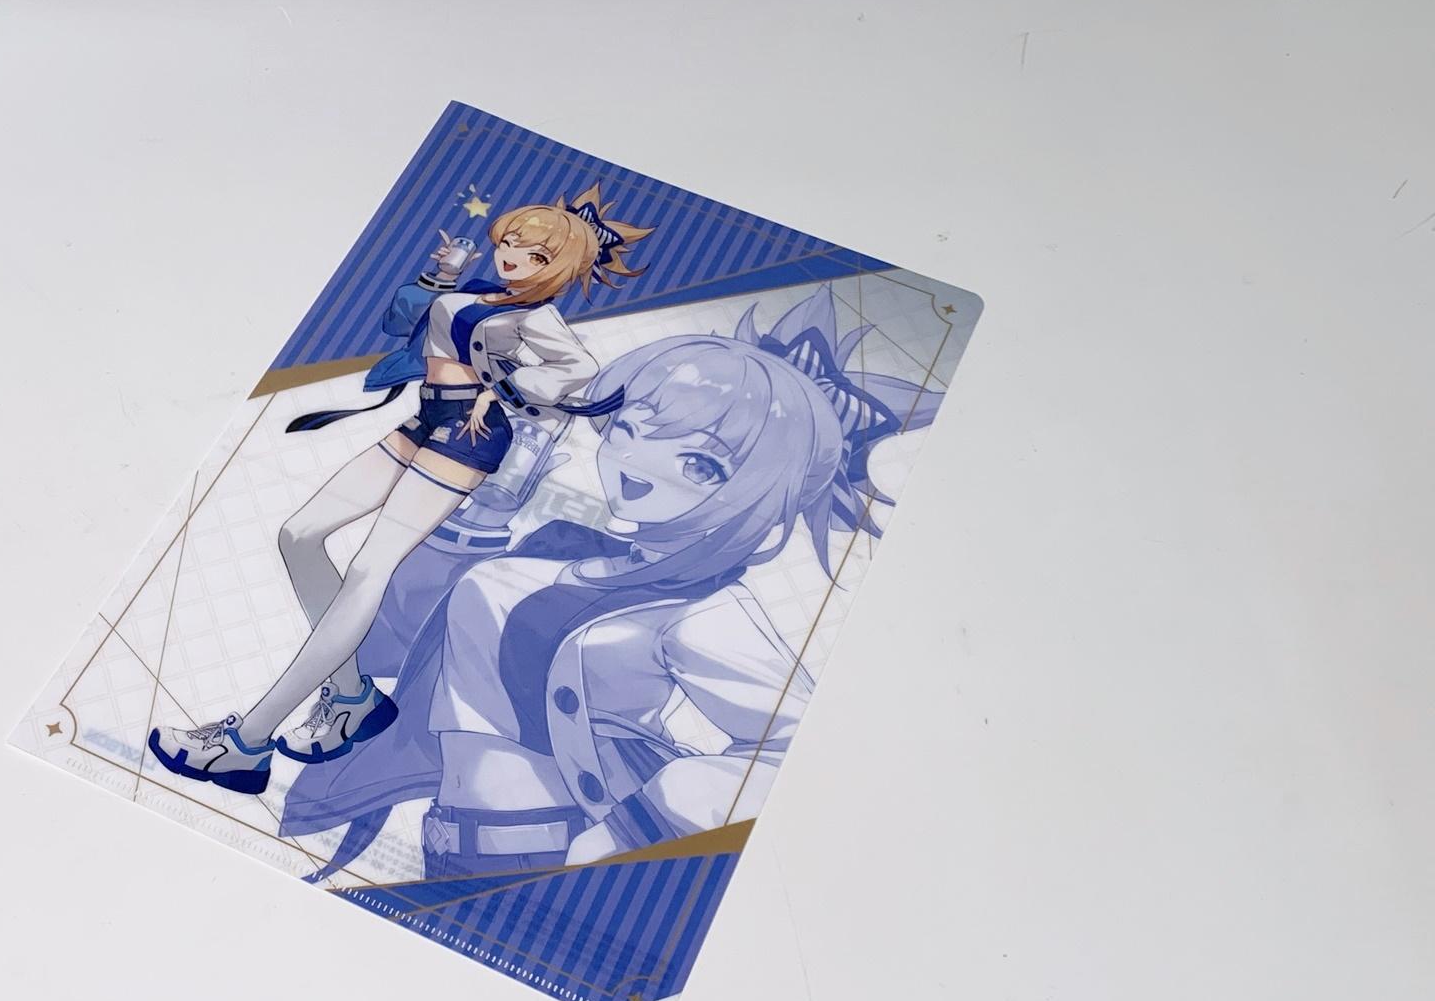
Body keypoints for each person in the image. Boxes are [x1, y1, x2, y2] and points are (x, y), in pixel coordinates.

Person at [279, 285, 940, 882]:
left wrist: (636, 827)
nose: (639, 462)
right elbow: (403, 643)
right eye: (629, 428)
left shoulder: (701, 609)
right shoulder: (556, 552)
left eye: (701, 465)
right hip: (451, 847)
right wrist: (484, 515)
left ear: (762, 494)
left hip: (557, 857)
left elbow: (795, 751)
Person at [147, 187, 653, 794]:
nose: (514, 257)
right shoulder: (478, 292)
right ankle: (351, 697)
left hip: (468, 434)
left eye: (535, 255)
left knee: (370, 568)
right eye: (512, 243)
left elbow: (578, 367)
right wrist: (440, 276)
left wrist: (504, 391)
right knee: (299, 535)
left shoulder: (536, 315)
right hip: (425, 418)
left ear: (559, 269)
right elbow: (400, 324)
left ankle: (246, 743)